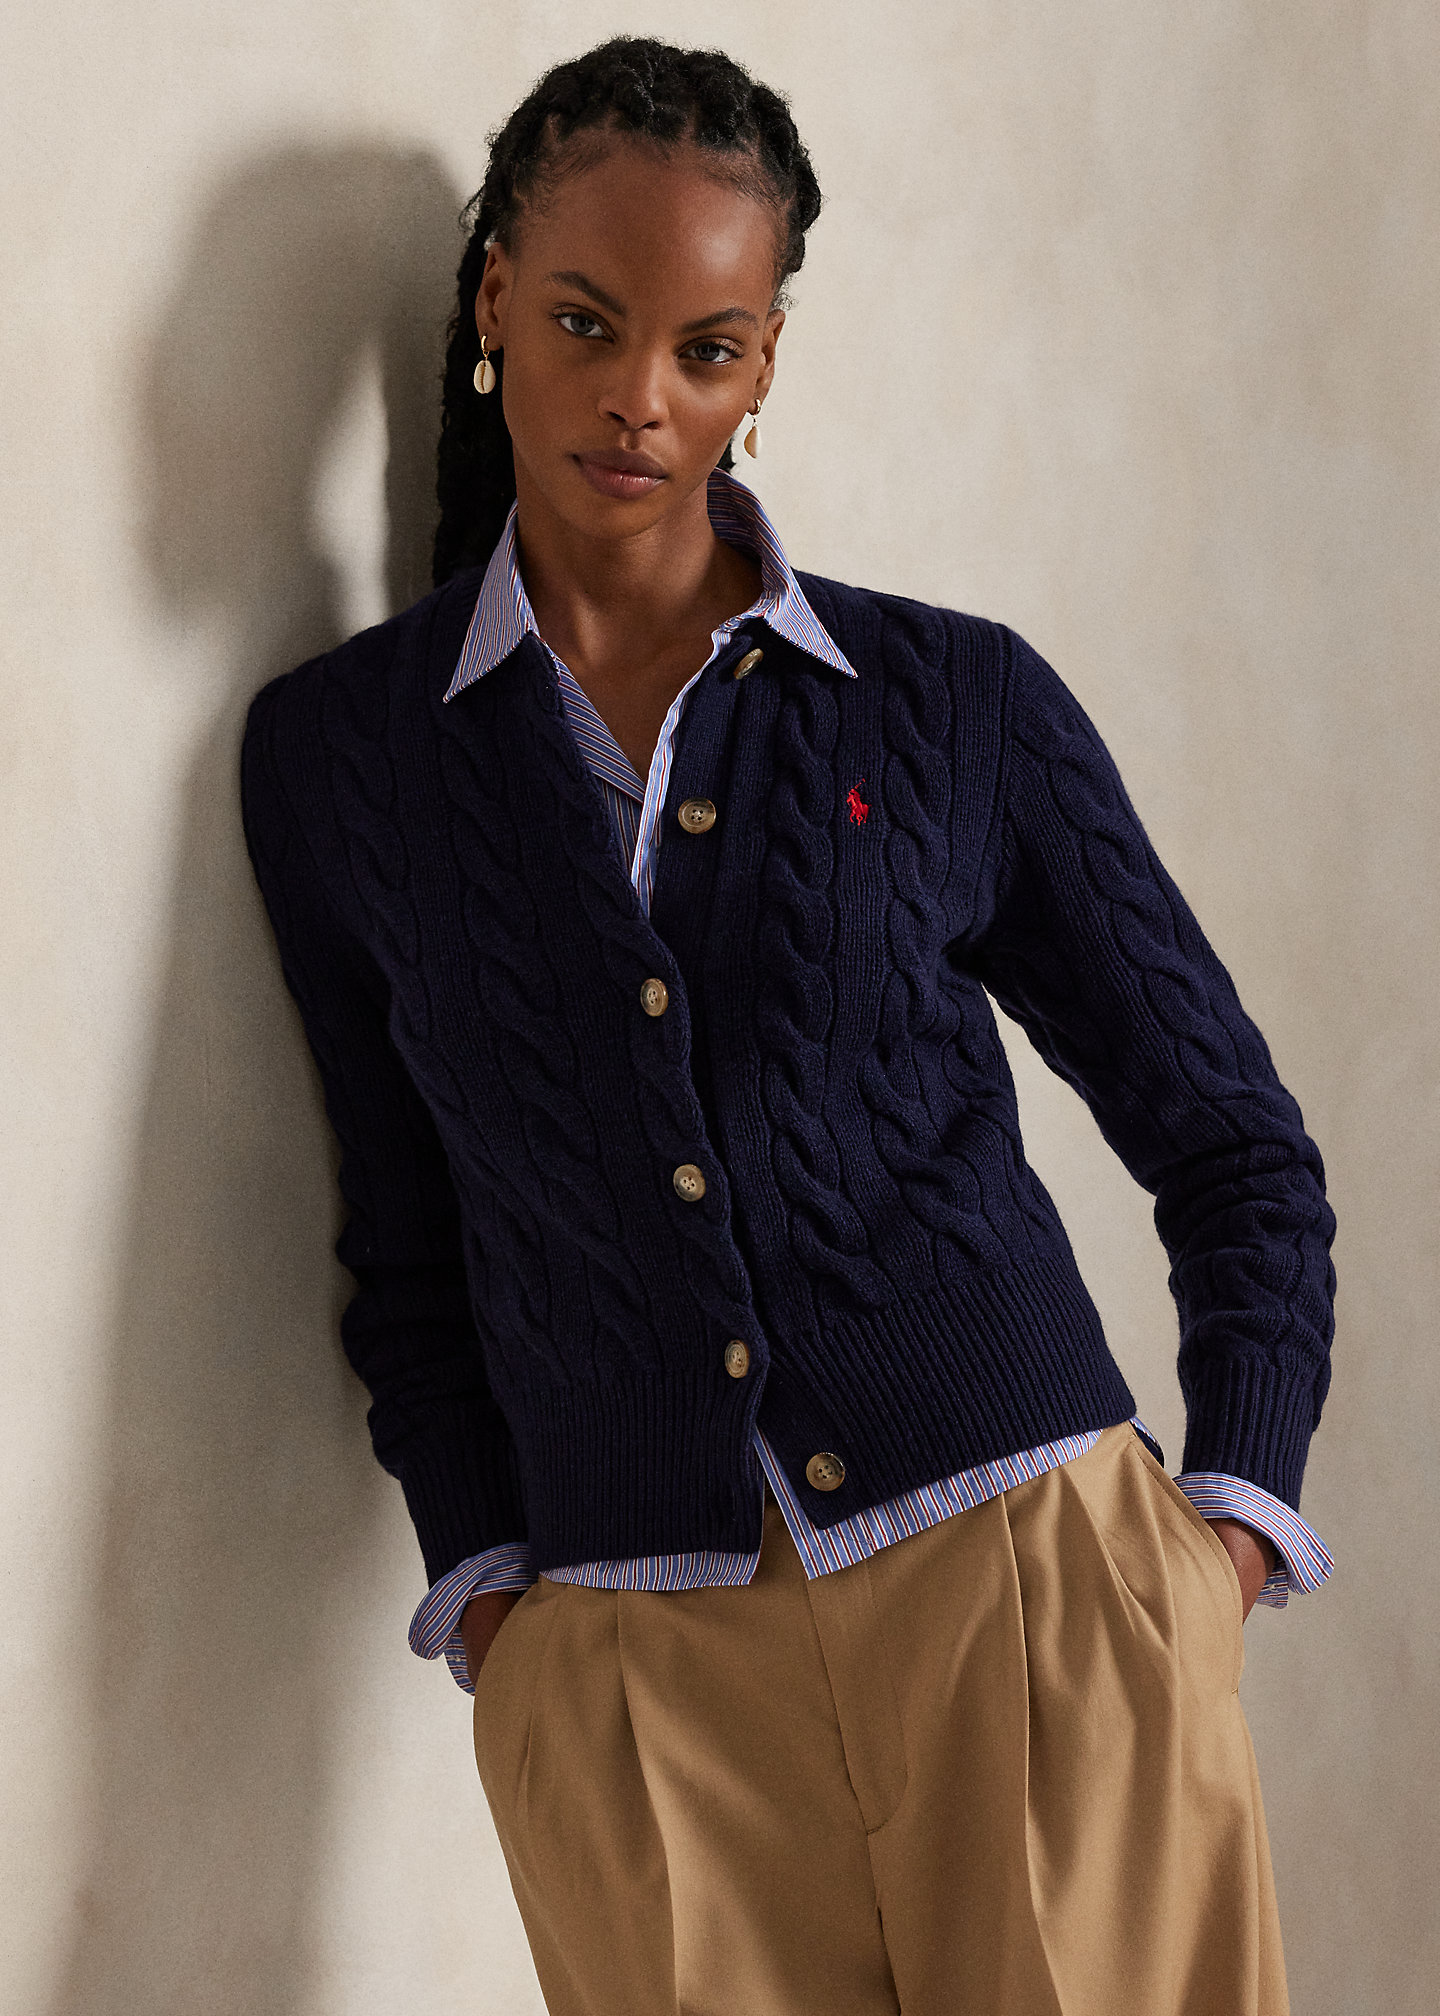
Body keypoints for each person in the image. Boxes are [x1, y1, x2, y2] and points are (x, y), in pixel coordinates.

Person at [240, 36, 1336, 2016]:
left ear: (765, 367)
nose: (641, 398)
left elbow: (1232, 1140)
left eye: (708, 348)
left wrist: (1225, 1535)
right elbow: (404, 1246)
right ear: (493, 302)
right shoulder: (341, 763)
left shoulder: (951, 704)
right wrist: (500, 1606)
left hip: (1034, 1603)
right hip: (639, 1684)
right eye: (587, 322)